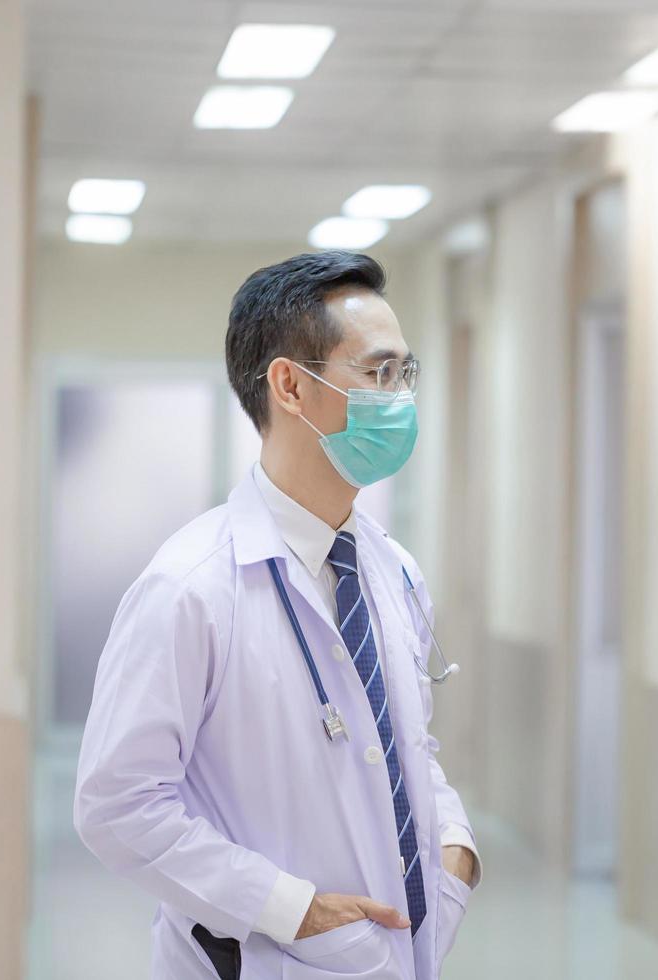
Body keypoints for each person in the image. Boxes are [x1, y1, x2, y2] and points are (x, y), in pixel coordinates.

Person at [74, 251, 479, 980]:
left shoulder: (392, 570)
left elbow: (406, 747)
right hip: (268, 958)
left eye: (405, 375)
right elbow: (116, 804)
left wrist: (454, 854)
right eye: (378, 373)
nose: (400, 398)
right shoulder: (190, 588)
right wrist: (289, 908)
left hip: (404, 948)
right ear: (291, 385)